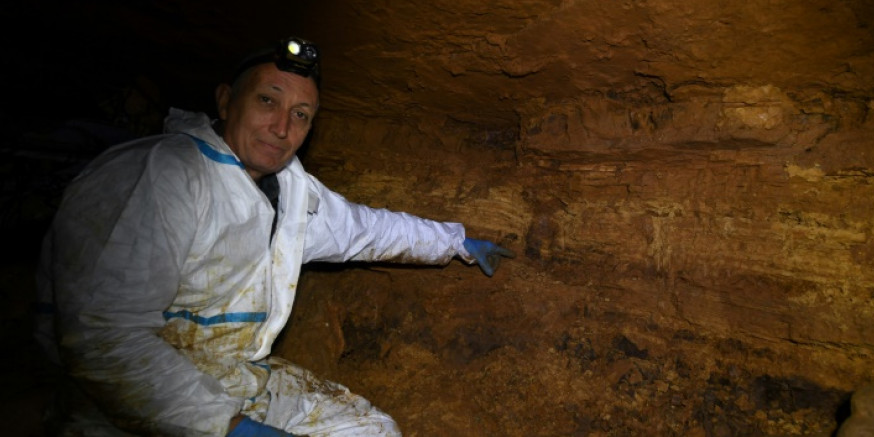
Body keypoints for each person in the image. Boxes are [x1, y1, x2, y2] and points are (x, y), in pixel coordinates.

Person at [34, 37, 514, 437]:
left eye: (301, 114)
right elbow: (105, 340)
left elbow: (365, 229)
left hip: (237, 377)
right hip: (123, 404)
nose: (282, 127)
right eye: (268, 100)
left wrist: (454, 243)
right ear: (226, 100)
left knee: (372, 431)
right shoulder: (156, 176)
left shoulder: (289, 188)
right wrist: (229, 427)